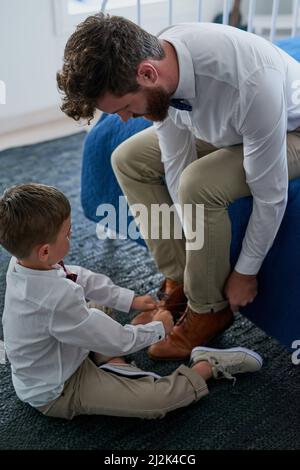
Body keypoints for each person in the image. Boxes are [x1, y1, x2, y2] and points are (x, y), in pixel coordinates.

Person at [56, 14, 300, 361]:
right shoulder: (163, 60)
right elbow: (176, 163)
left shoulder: (253, 84)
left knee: (200, 184)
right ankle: (180, 280)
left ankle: (208, 308)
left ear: (147, 74)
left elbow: (271, 194)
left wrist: (246, 271)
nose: (124, 119)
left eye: (125, 107)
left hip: (290, 131)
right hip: (231, 125)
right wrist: (190, 244)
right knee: (128, 158)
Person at [0, 183, 263, 419]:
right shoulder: (53, 298)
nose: (71, 237)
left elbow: (78, 277)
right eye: (68, 235)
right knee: (157, 402)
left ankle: (115, 365)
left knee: (94, 308)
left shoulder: (24, 263)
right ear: (45, 250)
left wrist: (131, 300)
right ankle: (207, 366)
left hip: (67, 346)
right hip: (61, 388)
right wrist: (160, 328)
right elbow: (119, 340)